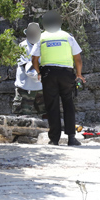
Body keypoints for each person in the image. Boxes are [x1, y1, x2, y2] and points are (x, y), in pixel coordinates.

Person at [32, 11, 86, 147]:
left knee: (52, 106)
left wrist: (39, 72)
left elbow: (34, 59)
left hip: (48, 74)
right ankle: (71, 138)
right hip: (66, 74)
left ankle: (54, 140)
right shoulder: (67, 36)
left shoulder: (41, 37)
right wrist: (79, 74)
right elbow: (78, 58)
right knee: (68, 104)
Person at [12, 23, 45, 115]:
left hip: (41, 88)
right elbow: (25, 66)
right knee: (21, 117)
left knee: (47, 116)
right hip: (25, 88)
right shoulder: (22, 46)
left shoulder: (43, 46)